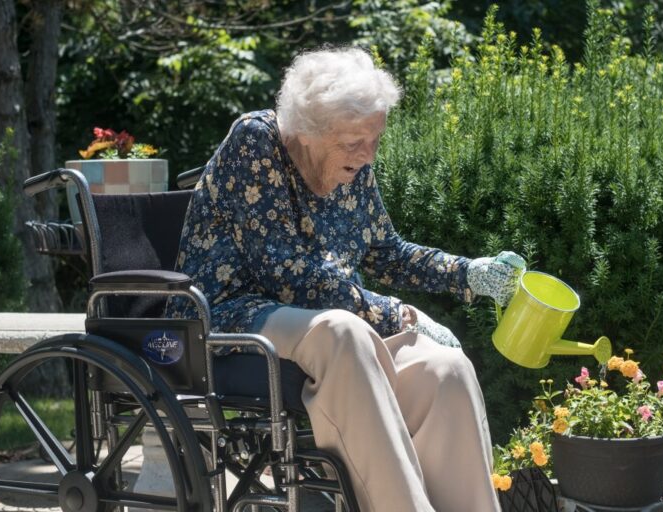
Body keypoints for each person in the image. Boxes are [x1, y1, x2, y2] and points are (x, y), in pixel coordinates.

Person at [171, 47, 525, 512]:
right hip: (230, 316)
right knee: (343, 331)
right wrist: (398, 314)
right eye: (356, 141)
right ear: (308, 131)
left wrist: (469, 273)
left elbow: (386, 252)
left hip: (331, 324)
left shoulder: (354, 166)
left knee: (446, 370)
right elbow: (288, 275)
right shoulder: (256, 141)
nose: (369, 154)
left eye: (375, 139)